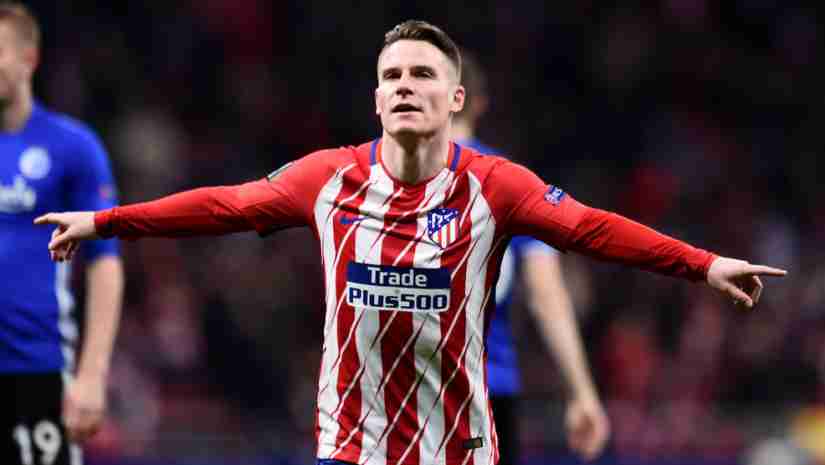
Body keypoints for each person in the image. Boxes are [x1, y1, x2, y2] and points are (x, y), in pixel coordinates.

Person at [35, 20, 785, 465]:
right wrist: (105, 221)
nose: (404, 84)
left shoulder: (495, 187)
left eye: (422, 73)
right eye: (391, 74)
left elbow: (590, 228)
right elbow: (224, 205)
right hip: (350, 448)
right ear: (375, 97)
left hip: (459, 449)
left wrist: (703, 264)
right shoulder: (327, 179)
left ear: (455, 99)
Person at [451, 51, 608, 464]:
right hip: (487, 391)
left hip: (400, 393)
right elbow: (547, 297)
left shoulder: (389, 179)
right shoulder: (513, 184)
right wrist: (581, 390)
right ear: (478, 103)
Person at [0, 3, 124, 465]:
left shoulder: (73, 147)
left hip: (37, 368)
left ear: (28, 58)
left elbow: (105, 264)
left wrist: (91, 375)